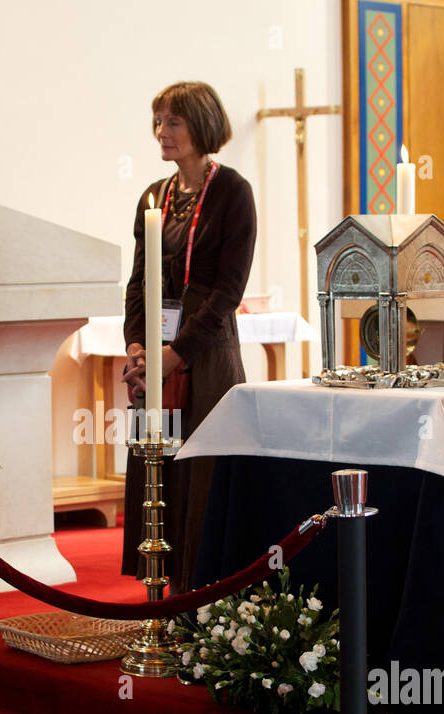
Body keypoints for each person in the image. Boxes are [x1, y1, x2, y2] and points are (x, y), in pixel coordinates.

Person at [121, 80, 256, 593]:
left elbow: (228, 290)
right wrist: (138, 346)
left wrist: (175, 354)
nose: (161, 131)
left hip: (207, 351)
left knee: (201, 473)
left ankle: (203, 598)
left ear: (200, 126)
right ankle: (158, 590)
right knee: (158, 465)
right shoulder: (153, 197)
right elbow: (139, 281)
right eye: (158, 121)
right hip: (158, 348)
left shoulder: (232, 191)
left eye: (172, 121)